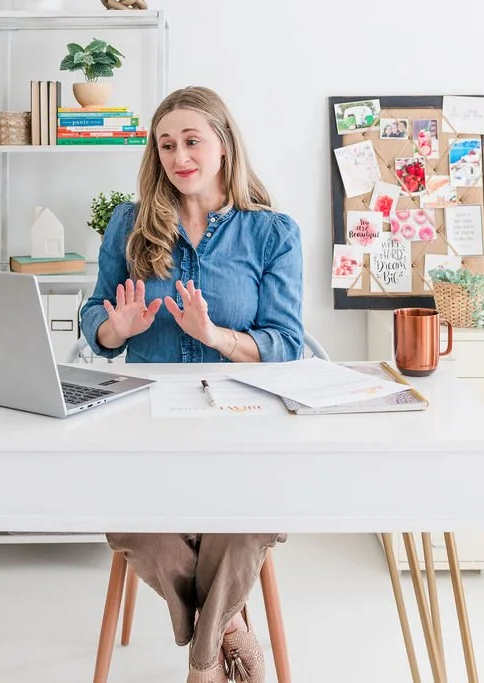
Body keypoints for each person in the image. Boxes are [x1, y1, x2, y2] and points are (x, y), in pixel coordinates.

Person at [79, 86, 304, 683]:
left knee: (248, 518)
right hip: (147, 423)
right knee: (138, 527)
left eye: (192, 141)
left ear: (224, 145)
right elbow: (92, 317)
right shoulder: (129, 225)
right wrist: (113, 328)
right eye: (167, 144)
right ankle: (227, 632)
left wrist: (219, 335)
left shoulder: (272, 233)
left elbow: (287, 343)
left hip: (240, 425)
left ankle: (201, 662)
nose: (180, 156)